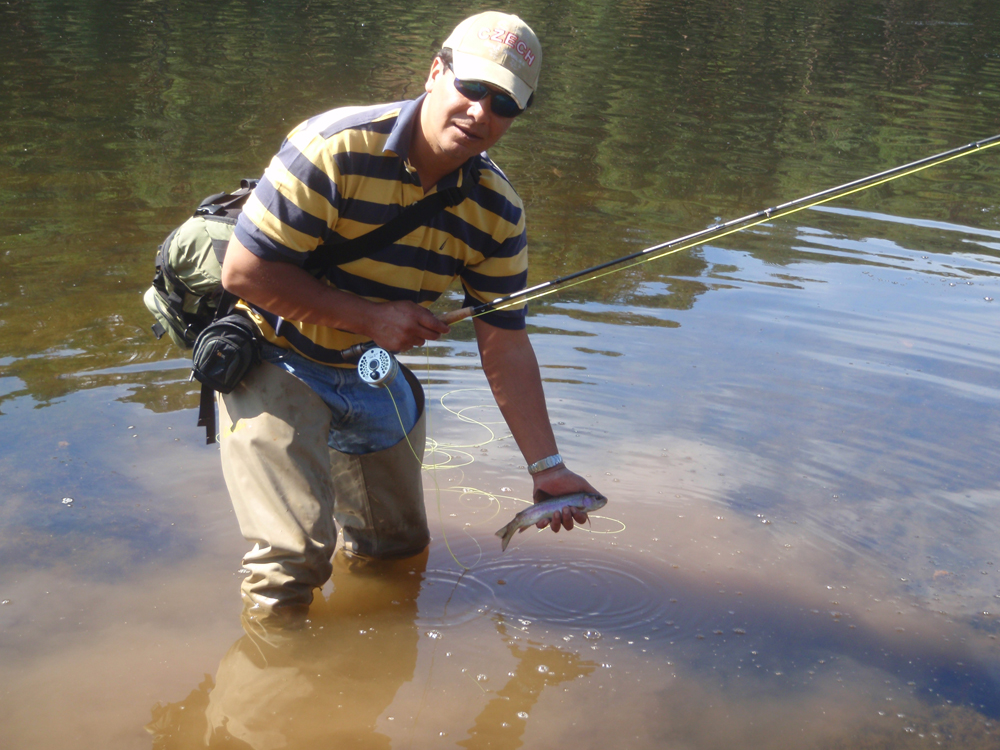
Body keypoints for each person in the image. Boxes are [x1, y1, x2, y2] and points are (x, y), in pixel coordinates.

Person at [218, 11, 602, 622]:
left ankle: (368, 655)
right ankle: (282, 675)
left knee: (397, 551)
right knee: (290, 565)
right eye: (472, 87)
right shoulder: (335, 147)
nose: (480, 112)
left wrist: (547, 467)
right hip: (275, 352)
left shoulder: (498, 212)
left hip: (369, 369)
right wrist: (369, 317)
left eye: (504, 103)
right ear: (435, 72)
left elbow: (504, 343)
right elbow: (243, 274)